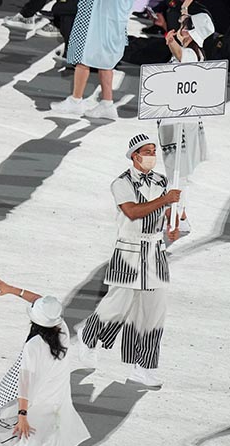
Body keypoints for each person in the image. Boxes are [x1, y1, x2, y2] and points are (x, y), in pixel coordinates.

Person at [77, 134, 182, 388]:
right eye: (147, 151)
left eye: (153, 151)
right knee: (116, 305)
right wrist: (165, 200)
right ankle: (88, 336)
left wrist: (174, 223)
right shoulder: (121, 183)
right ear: (135, 155)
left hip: (155, 252)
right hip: (129, 251)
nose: (152, 156)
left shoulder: (162, 181)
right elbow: (132, 212)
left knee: (154, 313)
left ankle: (144, 367)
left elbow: (170, 213)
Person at [0, 278, 90, 446]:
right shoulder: (63, 330)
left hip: (34, 405)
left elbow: (25, 382)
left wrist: (22, 415)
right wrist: (12, 289)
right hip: (56, 403)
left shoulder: (34, 345)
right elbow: (43, 302)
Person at [156, 0, 214, 234]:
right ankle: (178, 215)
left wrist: (170, 40)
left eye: (185, 27)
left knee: (177, 174)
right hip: (175, 120)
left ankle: (179, 218)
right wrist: (184, 10)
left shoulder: (192, 54)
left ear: (191, 34)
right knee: (177, 173)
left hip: (181, 124)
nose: (181, 28)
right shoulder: (193, 48)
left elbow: (180, 56)